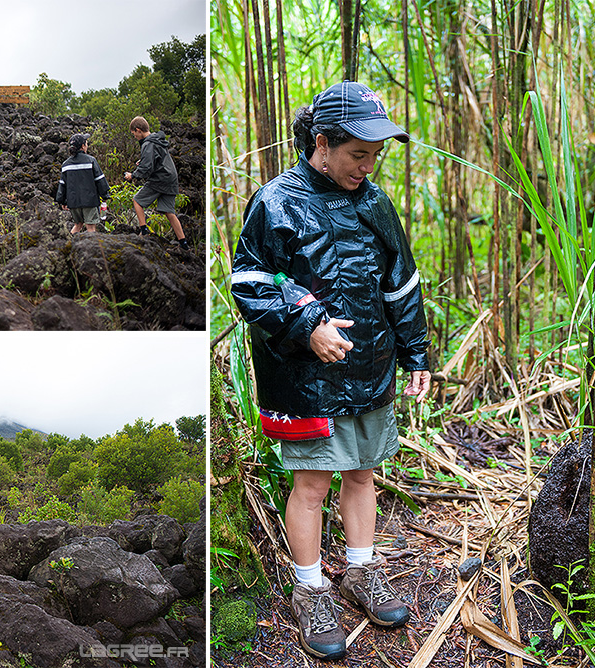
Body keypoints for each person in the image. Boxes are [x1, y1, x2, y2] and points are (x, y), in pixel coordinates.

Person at [230, 81, 432, 661]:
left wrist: (415, 353)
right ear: (322, 142)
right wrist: (308, 320)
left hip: (369, 364)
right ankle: (310, 587)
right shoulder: (276, 201)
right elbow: (250, 283)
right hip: (305, 376)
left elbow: (402, 284)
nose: (368, 167)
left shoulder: (375, 203)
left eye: (376, 156)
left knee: (364, 472)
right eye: (357, 155)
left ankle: (361, 572)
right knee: (312, 482)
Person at [123, 116, 189, 249]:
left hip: (160, 179)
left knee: (137, 201)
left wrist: (133, 175)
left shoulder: (148, 144)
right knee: (169, 212)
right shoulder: (157, 140)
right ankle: (184, 244)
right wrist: (144, 162)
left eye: (134, 134)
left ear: (138, 130)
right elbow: (157, 159)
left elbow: (147, 168)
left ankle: (144, 231)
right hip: (171, 178)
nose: (134, 137)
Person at [56, 133, 110, 235]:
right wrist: (105, 195)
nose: (87, 145)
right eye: (86, 143)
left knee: (78, 225)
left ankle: (69, 245)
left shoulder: (66, 164)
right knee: (90, 227)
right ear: (83, 146)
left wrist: (62, 201)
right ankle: (90, 249)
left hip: (73, 202)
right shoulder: (91, 161)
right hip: (89, 201)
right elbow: (99, 179)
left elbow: (62, 185)